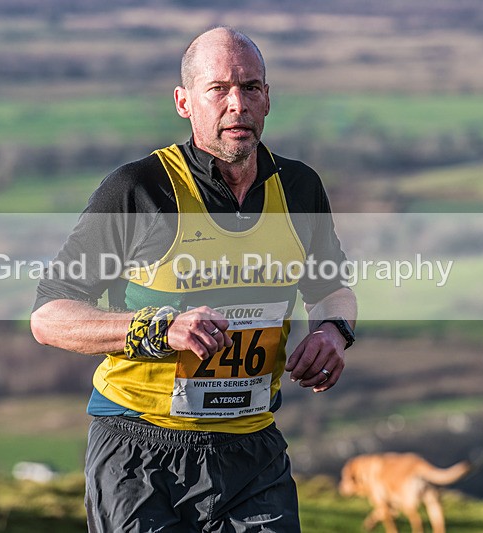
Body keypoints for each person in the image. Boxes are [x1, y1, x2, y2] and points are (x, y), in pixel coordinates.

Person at [30, 26, 357, 532]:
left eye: (250, 88)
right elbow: (50, 316)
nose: (237, 104)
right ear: (184, 102)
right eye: (218, 89)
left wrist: (333, 331)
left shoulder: (298, 188)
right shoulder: (140, 190)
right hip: (139, 450)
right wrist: (158, 329)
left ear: (268, 98)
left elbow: (331, 288)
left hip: (253, 450)